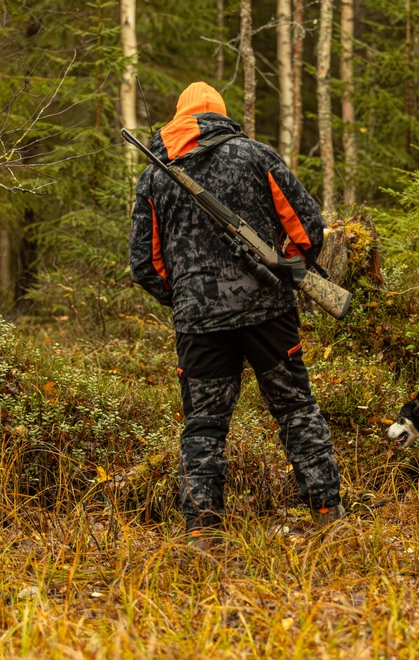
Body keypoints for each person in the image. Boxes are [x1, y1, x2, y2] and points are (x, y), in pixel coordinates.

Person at [128, 82, 345, 546]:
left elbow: (145, 266)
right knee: (294, 408)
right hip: (268, 312)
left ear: (180, 118)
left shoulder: (154, 175)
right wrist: (289, 266)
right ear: (221, 115)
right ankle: (328, 512)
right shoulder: (256, 155)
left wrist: (186, 296)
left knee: (203, 426)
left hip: (197, 324)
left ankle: (203, 529)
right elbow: (307, 227)